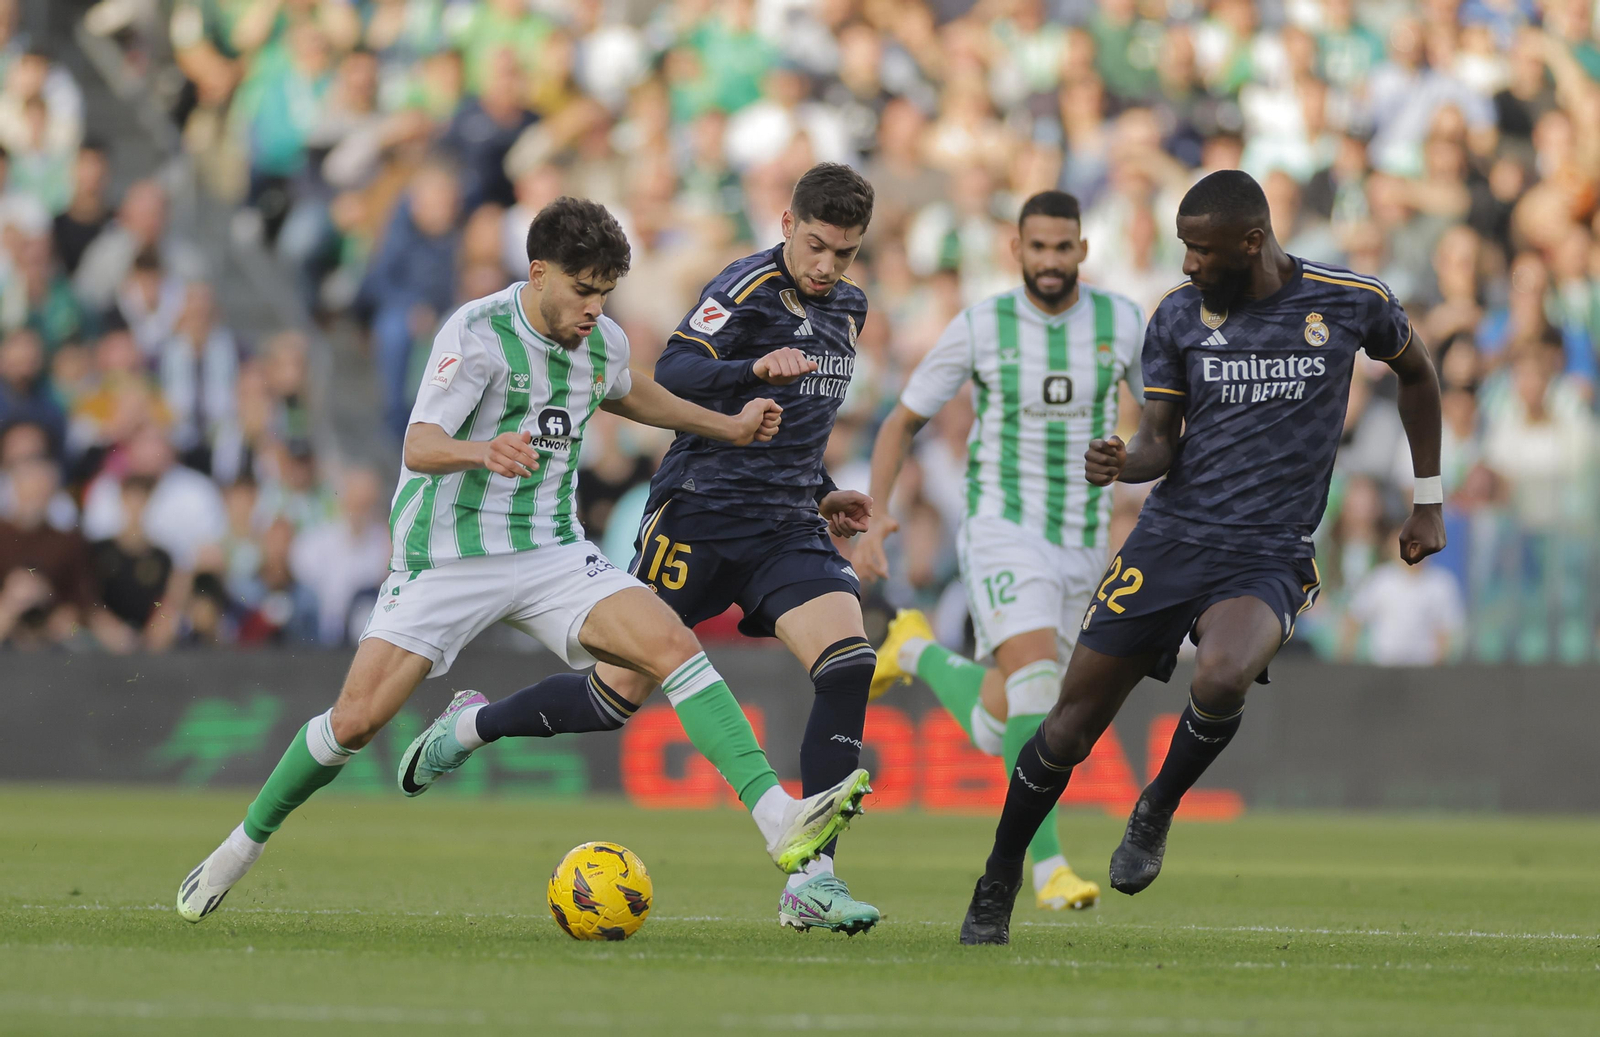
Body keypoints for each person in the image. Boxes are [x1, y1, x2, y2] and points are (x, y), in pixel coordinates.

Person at [176, 196, 871, 923]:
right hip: (448, 558)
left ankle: (778, 819)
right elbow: (419, 444)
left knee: (672, 645)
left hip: (549, 550)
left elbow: (636, 394)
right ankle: (241, 846)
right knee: (354, 722)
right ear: (539, 273)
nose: (594, 308)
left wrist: (728, 427)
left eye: (606, 292)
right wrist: (482, 450)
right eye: (583, 289)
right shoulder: (476, 332)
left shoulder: (599, 341)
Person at [958, 170, 1445, 945]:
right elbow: (1160, 439)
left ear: (1251, 242)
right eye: (1183, 247)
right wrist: (1125, 461)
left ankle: (1156, 805)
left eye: (1200, 249)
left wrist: (1428, 499)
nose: (1187, 263)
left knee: (1221, 675)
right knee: (1069, 728)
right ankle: (998, 876)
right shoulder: (1179, 315)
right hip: (1170, 541)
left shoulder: (1349, 300)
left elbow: (1418, 372)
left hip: (1268, 553)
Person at [406, 164, 883, 935]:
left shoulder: (850, 310)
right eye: (817, 246)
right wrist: (751, 367)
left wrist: (822, 488)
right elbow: (674, 370)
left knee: (850, 663)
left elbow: (799, 422)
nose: (828, 266)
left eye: (846, 253)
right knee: (612, 698)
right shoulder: (744, 287)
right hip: (699, 514)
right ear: (788, 224)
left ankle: (812, 878)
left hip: (788, 523)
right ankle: (471, 726)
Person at [857, 190, 1146, 913]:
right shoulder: (982, 325)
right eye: (1037, 246)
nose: (1050, 260)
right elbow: (901, 420)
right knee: (1038, 688)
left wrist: (1132, 456)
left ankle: (915, 648)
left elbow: (1163, 422)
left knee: (1002, 721)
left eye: (1063, 246)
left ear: (1082, 250)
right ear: (1016, 250)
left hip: (1084, 539)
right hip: (1002, 527)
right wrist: (880, 513)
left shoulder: (1122, 321)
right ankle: (1046, 868)